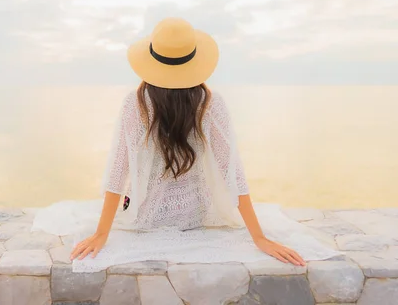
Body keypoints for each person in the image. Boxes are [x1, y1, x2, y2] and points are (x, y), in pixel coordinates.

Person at [69, 17, 306, 266]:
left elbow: (119, 170)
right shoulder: (211, 104)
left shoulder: (136, 103)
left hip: (146, 218)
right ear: (194, 61)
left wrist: (101, 234)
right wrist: (259, 237)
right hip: (196, 215)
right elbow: (233, 173)